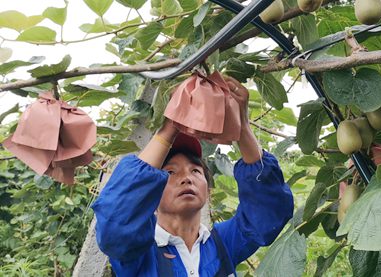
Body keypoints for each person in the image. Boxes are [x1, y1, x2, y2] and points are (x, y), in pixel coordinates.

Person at [91, 76, 294, 276]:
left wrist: (241, 128)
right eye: (170, 172)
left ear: (207, 186)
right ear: (150, 190)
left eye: (195, 170)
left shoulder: (224, 242)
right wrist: (168, 129)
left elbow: (269, 211)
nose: (186, 178)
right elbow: (116, 222)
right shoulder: (139, 251)